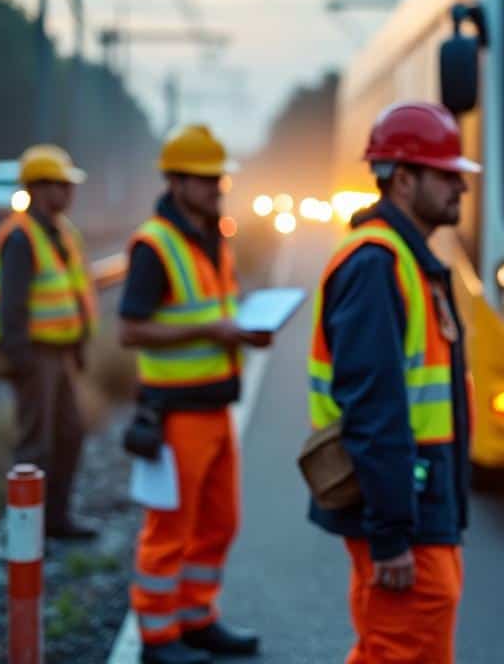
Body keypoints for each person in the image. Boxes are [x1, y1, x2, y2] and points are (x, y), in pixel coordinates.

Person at [306, 101, 479, 664]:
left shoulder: (403, 257)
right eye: (446, 175)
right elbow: (373, 409)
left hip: (419, 497)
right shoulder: (376, 265)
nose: (461, 187)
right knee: (402, 647)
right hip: (405, 503)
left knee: (403, 645)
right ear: (403, 179)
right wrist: (390, 533)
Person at [118, 125, 271, 664]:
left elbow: (213, 312)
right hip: (176, 413)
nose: (215, 187)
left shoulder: (211, 237)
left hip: (215, 405)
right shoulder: (155, 245)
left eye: (218, 178)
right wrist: (210, 330)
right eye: (205, 179)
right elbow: (129, 330)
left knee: (218, 523)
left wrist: (243, 331)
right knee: (170, 530)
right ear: (176, 182)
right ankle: (157, 638)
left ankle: (196, 618)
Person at [0, 143, 97, 540]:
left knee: (69, 435)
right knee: (35, 447)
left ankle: (55, 520)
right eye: (61, 184)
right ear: (37, 188)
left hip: (60, 352)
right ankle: (26, 536)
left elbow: (72, 292)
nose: (69, 192)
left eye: (69, 184)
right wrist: (23, 362)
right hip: (35, 354)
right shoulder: (21, 236)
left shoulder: (62, 232)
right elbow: (11, 308)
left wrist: (78, 345)